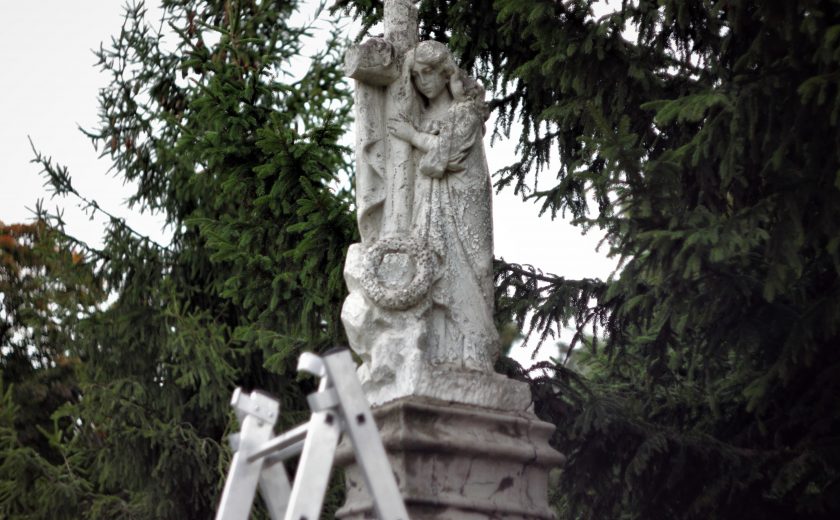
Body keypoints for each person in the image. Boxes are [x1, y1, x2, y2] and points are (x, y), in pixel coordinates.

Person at [387, 40, 498, 371]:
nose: (423, 82)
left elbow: (440, 157)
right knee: (437, 266)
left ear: (445, 72)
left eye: (428, 73)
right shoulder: (425, 116)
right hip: (432, 201)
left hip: (465, 201)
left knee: (475, 268)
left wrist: (412, 136)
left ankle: (475, 350)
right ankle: (442, 351)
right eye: (416, 76)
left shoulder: (465, 112)